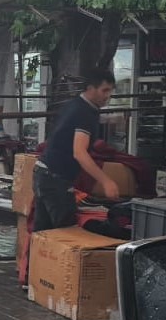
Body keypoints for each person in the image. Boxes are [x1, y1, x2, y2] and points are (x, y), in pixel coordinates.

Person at [32, 67, 120, 232]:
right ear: (91, 88)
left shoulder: (75, 105)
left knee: (43, 233)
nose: (108, 95)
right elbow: (79, 152)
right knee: (67, 233)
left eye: (110, 91)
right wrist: (106, 181)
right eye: (105, 90)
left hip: (43, 173)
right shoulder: (84, 113)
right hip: (55, 178)